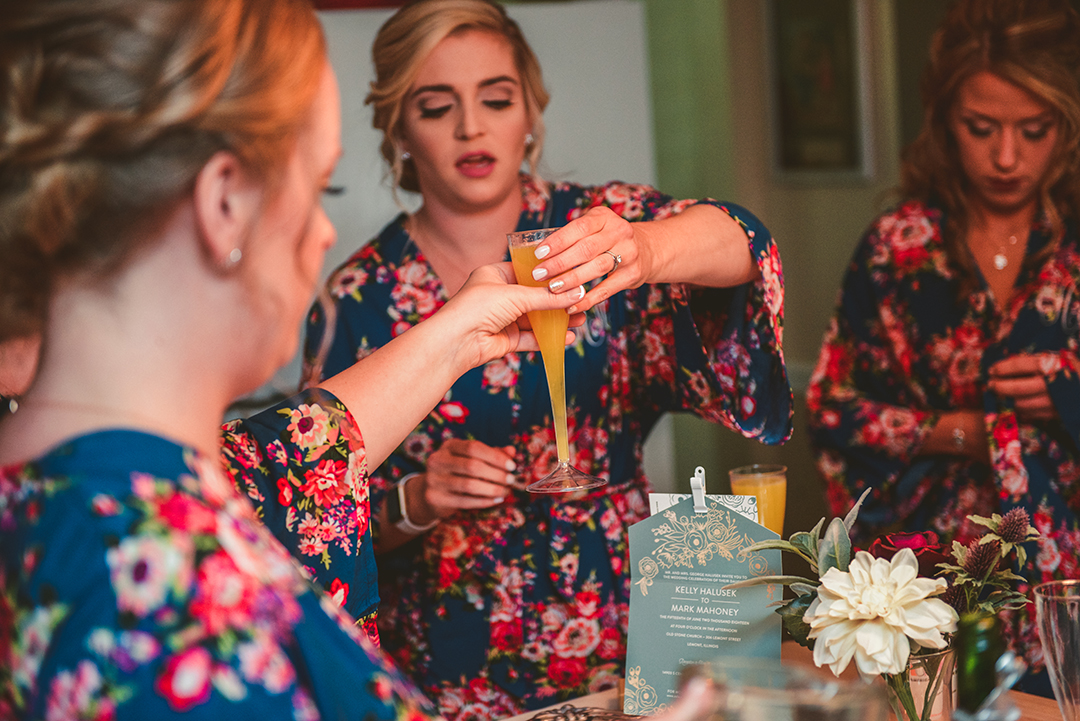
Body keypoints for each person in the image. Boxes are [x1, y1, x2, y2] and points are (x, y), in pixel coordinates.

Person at [0, 0, 722, 718]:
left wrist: (463, 330)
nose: (322, 233)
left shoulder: (70, 490)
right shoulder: (168, 608)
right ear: (224, 204)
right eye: (319, 188)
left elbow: (291, 459)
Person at [301, 0, 792, 716]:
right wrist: (415, 500)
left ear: (530, 111)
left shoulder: (598, 230)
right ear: (398, 129)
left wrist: (647, 249)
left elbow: (746, 242)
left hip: (624, 630)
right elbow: (311, 508)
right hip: (450, 658)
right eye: (437, 107)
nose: (472, 127)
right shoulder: (359, 296)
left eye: (496, 99)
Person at [807, 0, 1080, 696]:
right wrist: (950, 431)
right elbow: (831, 410)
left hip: (1070, 584)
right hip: (928, 590)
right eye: (981, 128)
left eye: (1034, 129)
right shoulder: (898, 249)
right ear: (944, 120)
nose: (1007, 156)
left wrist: (1067, 398)